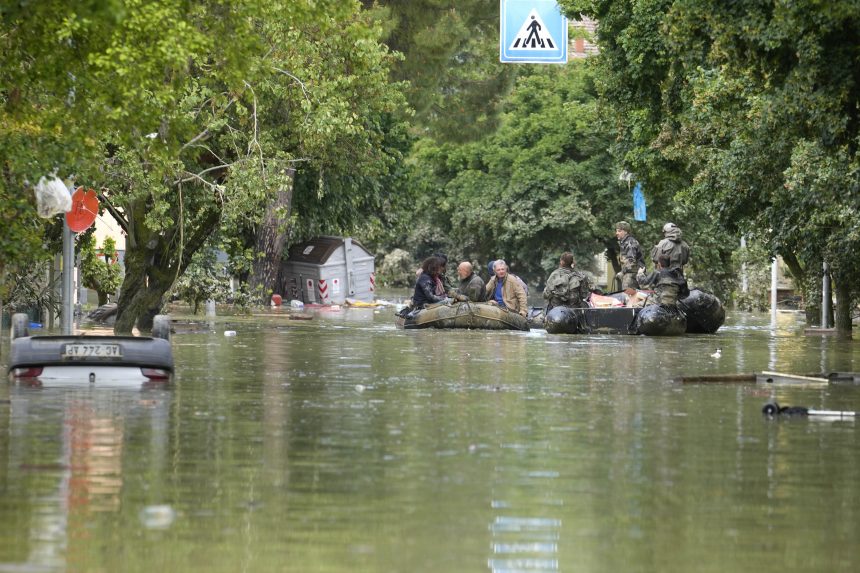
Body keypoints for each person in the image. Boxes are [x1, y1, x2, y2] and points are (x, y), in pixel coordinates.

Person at [614, 221, 646, 290]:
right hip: (631, 274)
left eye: (619, 231)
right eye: (616, 231)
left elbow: (631, 261)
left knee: (628, 297)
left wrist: (622, 272)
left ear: (626, 232)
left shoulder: (630, 242)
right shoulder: (626, 242)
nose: (616, 233)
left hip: (632, 275)